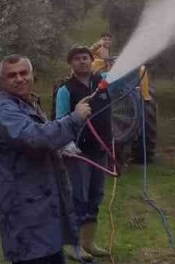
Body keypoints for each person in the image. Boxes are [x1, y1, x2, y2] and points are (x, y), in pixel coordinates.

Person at [0, 54, 93, 264]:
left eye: (23, 73)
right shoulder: (4, 111)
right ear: (3, 81)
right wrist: (74, 119)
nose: (19, 78)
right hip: (26, 215)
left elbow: (40, 138)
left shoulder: (27, 104)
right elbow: (35, 138)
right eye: (12, 75)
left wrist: (60, 150)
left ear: (32, 74)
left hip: (42, 213)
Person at [54, 46, 125, 261]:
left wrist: (114, 61)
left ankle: (89, 242)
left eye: (85, 58)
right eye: (77, 59)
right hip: (78, 153)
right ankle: (72, 245)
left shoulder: (103, 82)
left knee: (95, 196)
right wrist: (66, 143)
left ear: (92, 61)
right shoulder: (65, 90)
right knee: (77, 198)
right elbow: (60, 119)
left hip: (100, 150)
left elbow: (124, 79)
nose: (82, 62)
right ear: (71, 63)